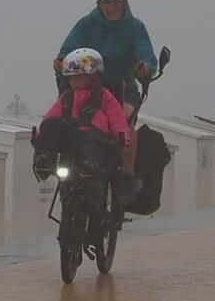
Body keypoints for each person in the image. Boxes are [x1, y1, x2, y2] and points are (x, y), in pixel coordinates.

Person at [53, 0, 157, 170]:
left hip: (122, 89)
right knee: (65, 122)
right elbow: (68, 49)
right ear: (98, 3)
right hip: (87, 86)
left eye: (116, 2)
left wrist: (145, 68)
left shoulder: (135, 28)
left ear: (124, 1)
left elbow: (147, 56)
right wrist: (60, 61)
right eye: (106, 3)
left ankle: (126, 178)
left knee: (127, 130)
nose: (111, 7)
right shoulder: (85, 25)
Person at [37, 48, 139, 200]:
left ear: (93, 76)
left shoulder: (104, 96)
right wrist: (41, 135)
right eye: (71, 78)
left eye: (79, 77)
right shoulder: (67, 96)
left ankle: (89, 163)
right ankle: (45, 158)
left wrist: (121, 137)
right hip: (70, 136)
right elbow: (52, 115)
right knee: (49, 125)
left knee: (89, 139)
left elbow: (116, 117)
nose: (74, 82)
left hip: (95, 137)